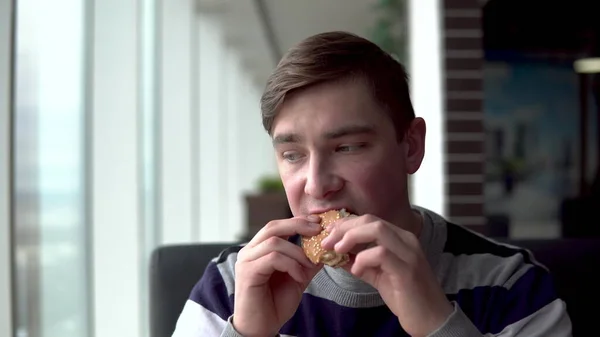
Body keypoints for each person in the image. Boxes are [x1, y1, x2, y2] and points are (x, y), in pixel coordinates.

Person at [172, 31, 572, 337]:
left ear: (410, 147)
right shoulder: (229, 287)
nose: (316, 185)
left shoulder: (511, 286)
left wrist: (438, 323)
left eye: (347, 147)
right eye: (293, 154)